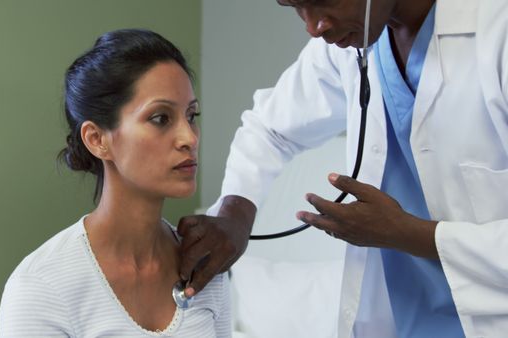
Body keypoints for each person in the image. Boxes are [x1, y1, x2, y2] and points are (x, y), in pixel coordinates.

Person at [176, 0, 508, 336]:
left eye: (321, 0)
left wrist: (406, 234)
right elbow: (269, 129)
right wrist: (234, 215)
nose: (313, 27)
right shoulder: (354, 43)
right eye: (294, 6)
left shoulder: (497, 29)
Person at [0, 29, 231, 337]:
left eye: (191, 116)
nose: (189, 138)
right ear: (97, 140)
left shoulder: (206, 271)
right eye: (161, 118)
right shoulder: (42, 287)